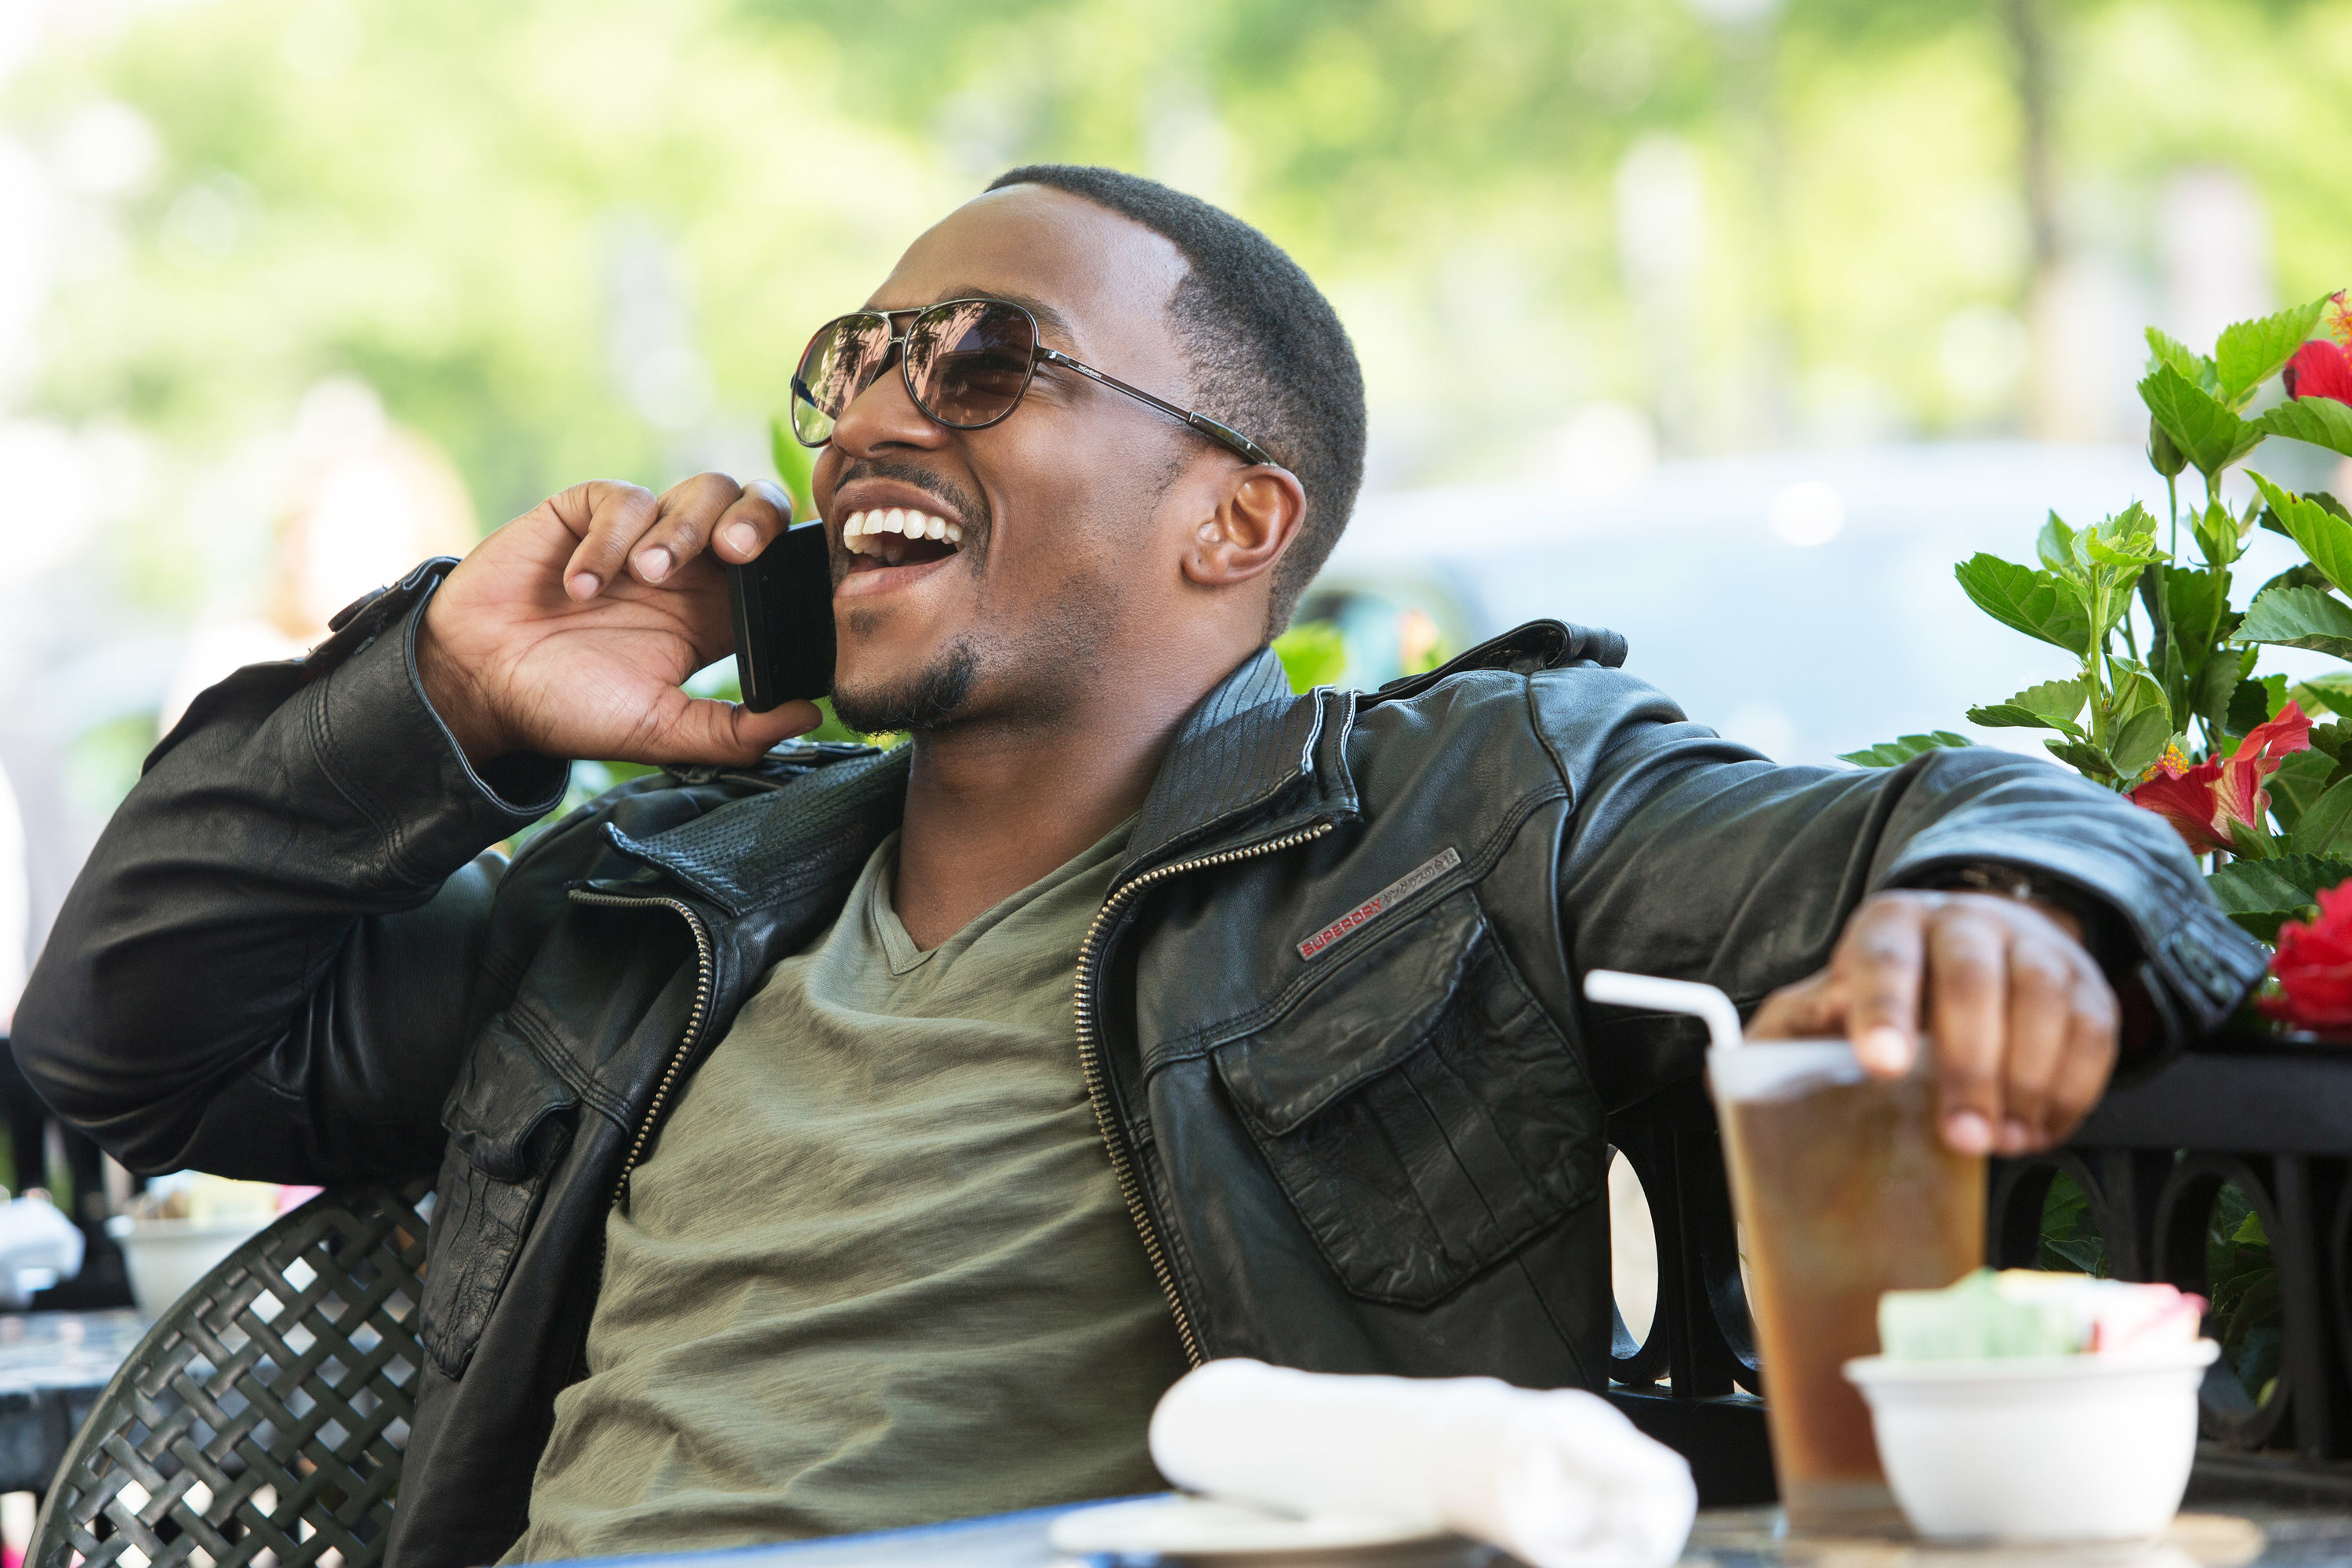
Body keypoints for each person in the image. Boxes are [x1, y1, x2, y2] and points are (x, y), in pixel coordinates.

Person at [13, 167, 2263, 1568]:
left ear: (1236, 518)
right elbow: (123, 1057)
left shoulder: (1458, 801)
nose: (872, 416)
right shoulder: (656, 898)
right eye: (859, 361)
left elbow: (1980, 815)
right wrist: (450, 692)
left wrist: (2011, 907)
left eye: (987, 361)